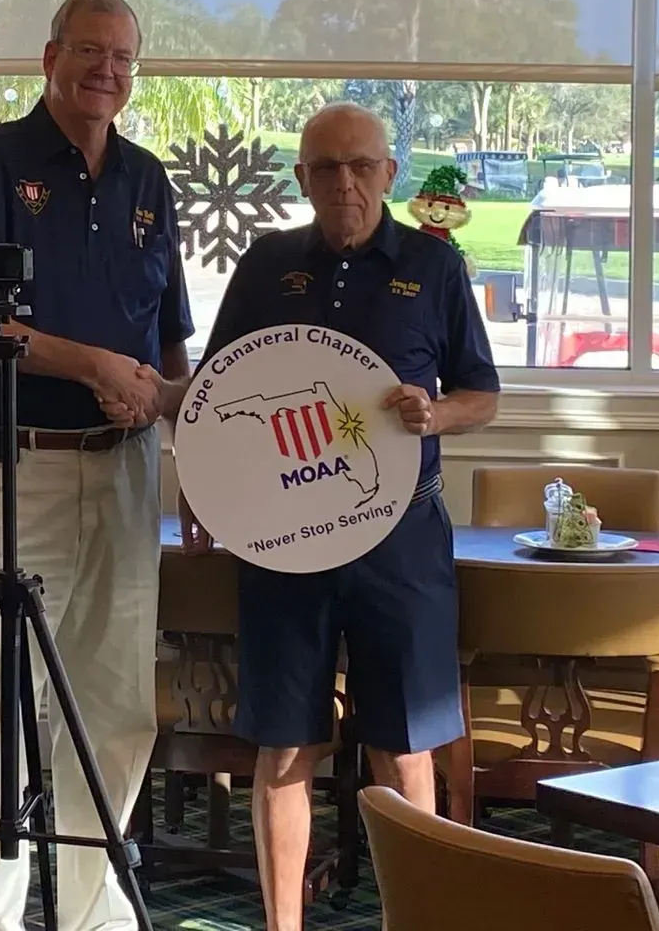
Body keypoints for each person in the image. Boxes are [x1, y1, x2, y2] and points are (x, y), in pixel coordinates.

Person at [166, 103, 500, 931]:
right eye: (325, 167)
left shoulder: (435, 265)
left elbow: (482, 395)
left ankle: (412, 921)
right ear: (302, 178)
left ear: (389, 173)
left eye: (360, 165)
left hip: (402, 541)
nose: (343, 183)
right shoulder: (267, 264)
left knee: (404, 746)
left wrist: (436, 414)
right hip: (285, 540)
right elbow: (216, 389)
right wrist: (196, 485)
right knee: (284, 746)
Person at [0, 0, 192, 931]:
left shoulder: (148, 180)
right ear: (49, 57)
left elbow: (169, 339)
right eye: (89, 51)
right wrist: (90, 365)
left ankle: (92, 913)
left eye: (122, 57)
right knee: (1, 709)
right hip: (7, 467)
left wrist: (166, 411)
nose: (106, 71)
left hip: (125, 470)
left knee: (115, 706)